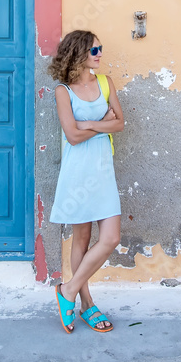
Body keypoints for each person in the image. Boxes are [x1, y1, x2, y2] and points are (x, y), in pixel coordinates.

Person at [47, 30, 125, 333]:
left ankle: (66, 291)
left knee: (110, 238)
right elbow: (73, 136)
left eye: (100, 49)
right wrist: (102, 123)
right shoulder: (62, 91)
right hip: (78, 171)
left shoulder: (105, 83)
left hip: (103, 169)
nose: (100, 54)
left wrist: (91, 123)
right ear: (78, 53)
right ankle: (87, 304)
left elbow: (120, 123)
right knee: (80, 239)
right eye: (95, 50)